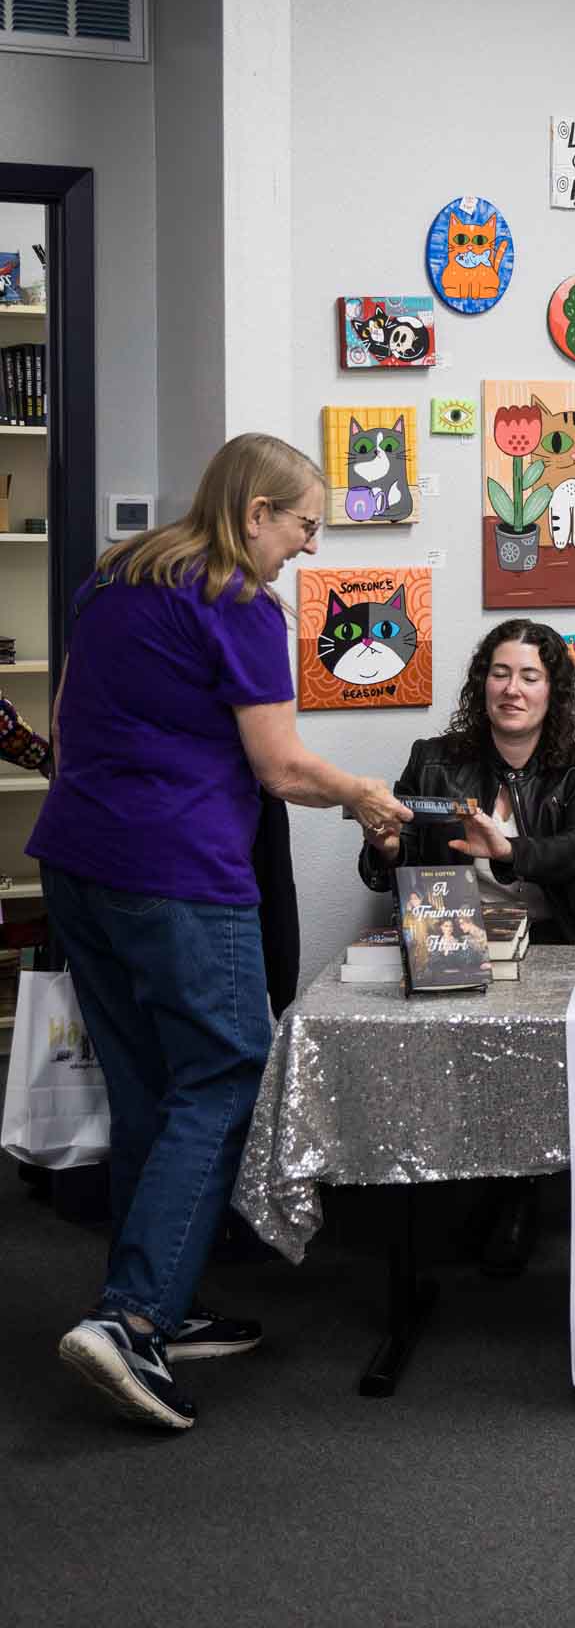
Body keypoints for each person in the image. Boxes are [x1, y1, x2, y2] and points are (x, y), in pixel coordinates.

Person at [28, 434, 411, 1433]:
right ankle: (134, 1317)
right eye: (302, 525)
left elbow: (68, 727)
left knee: (151, 1081)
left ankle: (160, 1293)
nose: (308, 547)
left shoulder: (113, 583)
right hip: (176, 875)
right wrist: (367, 792)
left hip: (77, 863)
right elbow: (280, 767)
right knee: (228, 1069)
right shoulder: (239, 602)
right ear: (254, 515)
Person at [359, 617, 575, 1273]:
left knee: (532, 1054)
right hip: (451, 939)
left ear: (552, 690)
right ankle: (451, 1201)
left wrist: (511, 850)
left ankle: (516, 1195)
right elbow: (391, 858)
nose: (513, 688)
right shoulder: (432, 760)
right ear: (482, 683)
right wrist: (383, 848)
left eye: (530, 675)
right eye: (500, 673)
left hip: (552, 945)